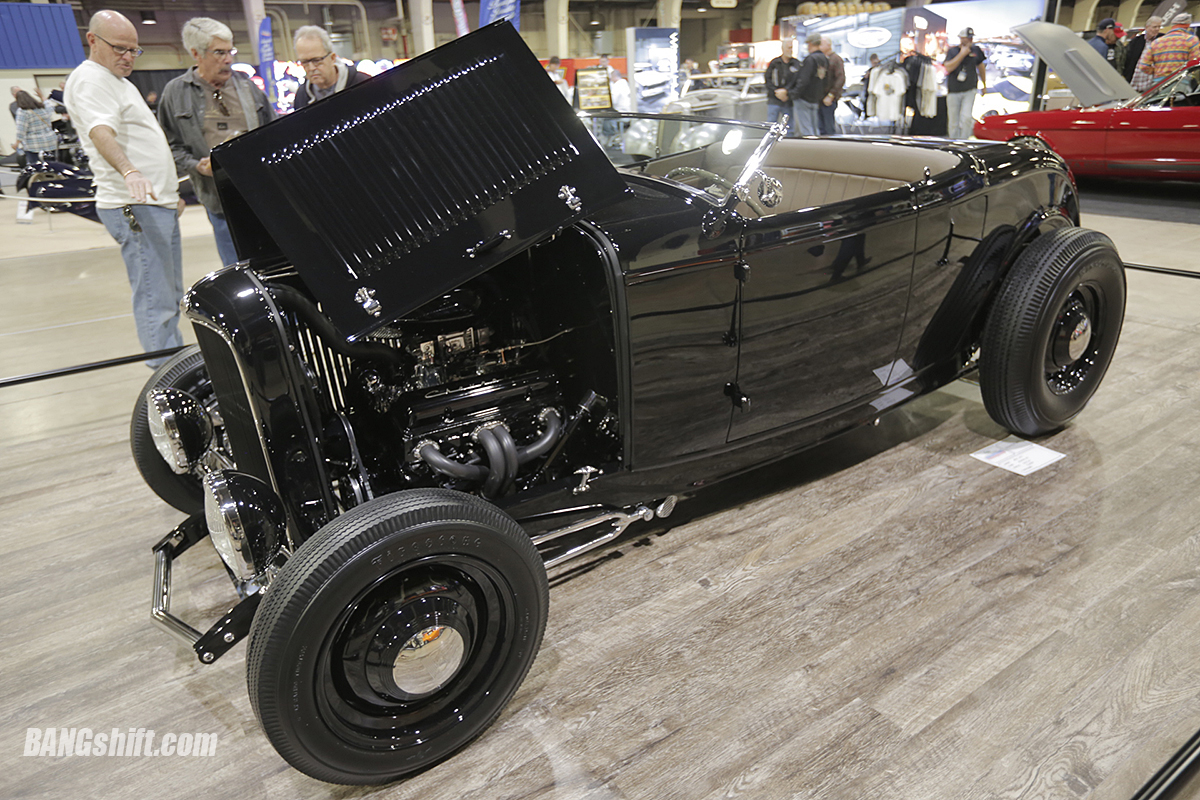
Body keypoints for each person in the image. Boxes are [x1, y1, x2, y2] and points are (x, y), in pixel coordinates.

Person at [64, 10, 185, 367]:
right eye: (120, 48)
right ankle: (166, 376)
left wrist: (167, 194)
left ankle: (173, 365)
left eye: (135, 51)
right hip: (133, 205)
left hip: (153, 203)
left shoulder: (116, 80)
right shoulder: (91, 81)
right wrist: (129, 170)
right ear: (92, 40)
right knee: (155, 297)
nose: (128, 57)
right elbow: (101, 131)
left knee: (168, 293)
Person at [158, 17, 275, 268]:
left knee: (275, 262)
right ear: (196, 54)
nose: (229, 59)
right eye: (219, 52)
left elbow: (273, 132)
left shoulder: (248, 87)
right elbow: (170, 145)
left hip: (261, 193)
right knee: (238, 268)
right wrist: (196, 165)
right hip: (218, 199)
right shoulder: (175, 93)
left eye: (230, 51)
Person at [292, 25, 371, 109]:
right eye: (305, 62)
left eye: (317, 60)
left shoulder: (364, 85)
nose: (311, 68)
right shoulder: (302, 96)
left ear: (332, 58)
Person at [944, 27, 986, 139]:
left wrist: (984, 84)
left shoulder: (976, 50)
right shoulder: (953, 51)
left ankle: (964, 141)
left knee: (966, 117)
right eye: (967, 38)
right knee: (953, 120)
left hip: (970, 89)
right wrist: (962, 54)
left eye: (971, 38)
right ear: (961, 38)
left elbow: (981, 67)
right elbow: (948, 68)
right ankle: (953, 142)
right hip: (954, 90)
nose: (970, 40)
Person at [1140, 13, 1200, 84]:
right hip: (1180, 82)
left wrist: (1157, 71)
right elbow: (1194, 63)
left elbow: (1143, 66)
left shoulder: (1156, 42)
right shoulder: (1191, 40)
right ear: (1188, 25)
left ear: (1173, 25)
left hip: (1158, 84)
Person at [792, 32, 830, 137]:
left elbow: (803, 80)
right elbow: (826, 80)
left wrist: (794, 94)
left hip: (804, 98)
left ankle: (809, 149)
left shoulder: (810, 60)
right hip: (816, 98)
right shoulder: (824, 59)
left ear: (811, 44)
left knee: (806, 129)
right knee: (815, 128)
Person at [764, 39, 801, 135]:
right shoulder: (775, 63)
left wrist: (787, 92)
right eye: (789, 47)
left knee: (789, 128)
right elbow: (768, 79)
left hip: (788, 101)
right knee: (771, 126)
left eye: (792, 48)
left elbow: (798, 81)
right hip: (773, 100)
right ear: (783, 48)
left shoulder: (796, 64)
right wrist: (776, 92)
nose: (790, 50)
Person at [12, 90, 58, 163]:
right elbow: (50, 107)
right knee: (52, 165)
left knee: (37, 167)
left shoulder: (23, 112)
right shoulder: (41, 107)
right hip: (50, 141)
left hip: (34, 144)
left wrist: (16, 143)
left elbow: (21, 129)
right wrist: (42, 96)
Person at [818, 36, 846, 135]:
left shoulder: (836, 59)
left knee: (828, 128)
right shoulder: (821, 59)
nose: (819, 46)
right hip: (819, 99)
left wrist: (831, 95)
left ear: (828, 45)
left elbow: (840, 78)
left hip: (829, 99)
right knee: (820, 128)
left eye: (821, 44)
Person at [1127, 16, 1163, 89]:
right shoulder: (1136, 41)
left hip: (1152, 84)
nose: (1157, 29)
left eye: (1159, 27)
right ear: (1147, 27)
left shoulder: (1162, 40)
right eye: (1154, 27)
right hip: (1134, 82)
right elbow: (1128, 60)